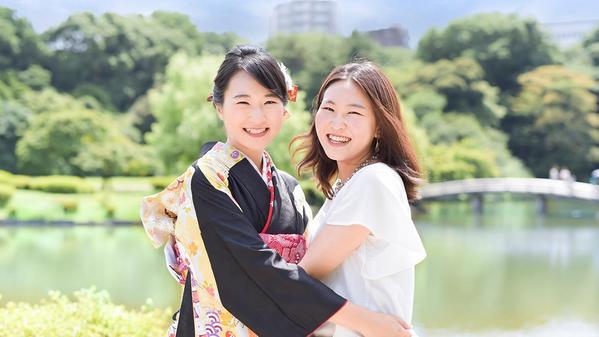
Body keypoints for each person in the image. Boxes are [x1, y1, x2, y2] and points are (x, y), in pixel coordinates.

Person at [140, 46, 412, 337]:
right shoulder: (206, 179)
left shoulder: (290, 189)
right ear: (219, 107)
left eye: (270, 101)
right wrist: (365, 320)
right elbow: (253, 271)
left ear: (285, 109)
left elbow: (304, 274)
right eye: (242, 102)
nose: (257, 116)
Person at [293, 61, 427, 337]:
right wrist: (368, 321)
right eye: (328, 109)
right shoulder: (347, 186)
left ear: (379, 126)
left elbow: (299, 284)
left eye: (353, 113)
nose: (336, 123)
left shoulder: (372, 181)